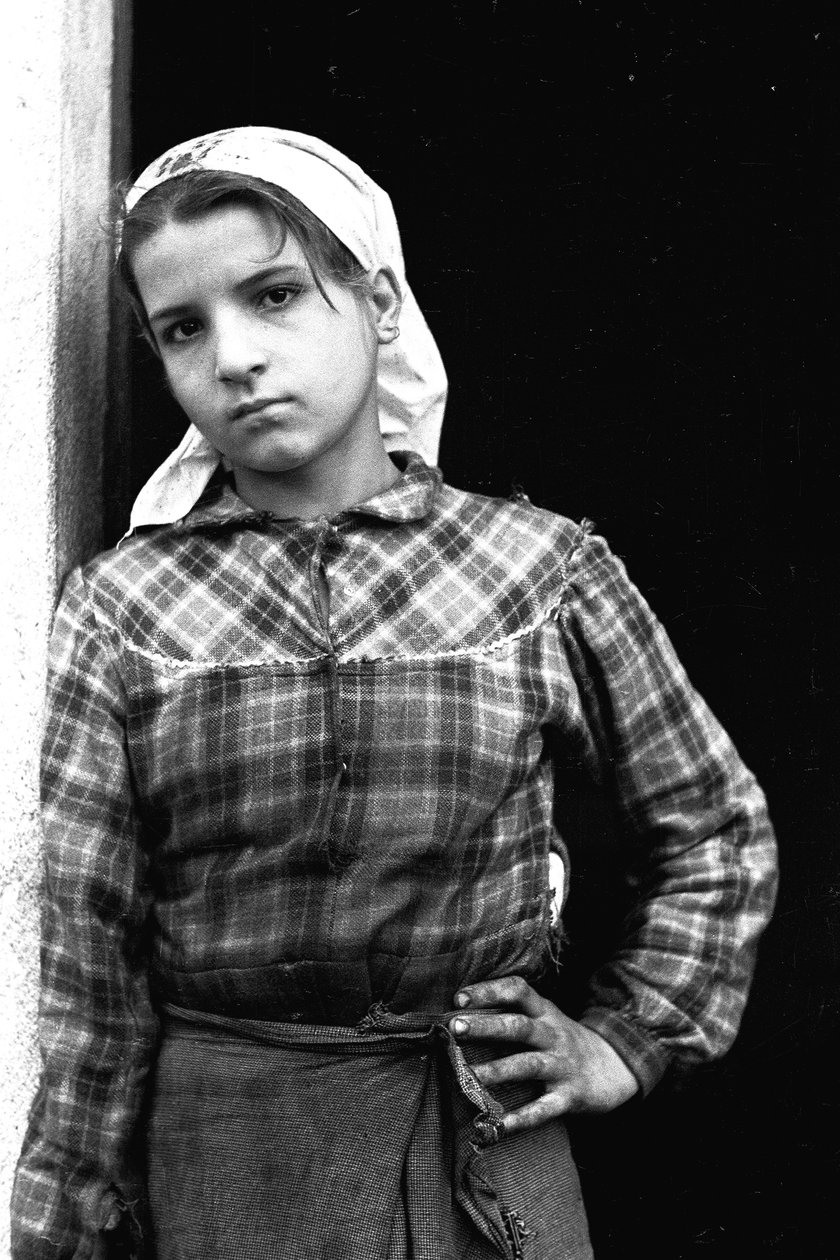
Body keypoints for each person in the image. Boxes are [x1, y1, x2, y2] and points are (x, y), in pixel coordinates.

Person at [11, 127, 778, 1260]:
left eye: (275, 296)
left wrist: (628, 1039)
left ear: (376, 305)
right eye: (184, 328)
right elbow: (91, 970)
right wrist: (62, 1226)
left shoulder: (538, 569)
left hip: (487, 1153)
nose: (233, 357)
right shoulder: (124, 607)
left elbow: (716, 829)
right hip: (234, 1170)